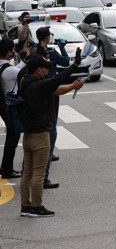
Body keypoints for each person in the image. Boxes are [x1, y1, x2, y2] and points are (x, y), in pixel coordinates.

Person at [19, 50, 83, 218]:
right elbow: (57, 79)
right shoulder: (39, 86)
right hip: (40, 135)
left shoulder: (24, 81)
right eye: (45, 68)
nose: (47, 71)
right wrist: (75, 64)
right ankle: (37, 206)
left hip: (27, 135)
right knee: (39, 173)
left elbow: (55, 84)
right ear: (38, 70)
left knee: (27, 173)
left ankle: (25, 206)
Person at [35, 26, 70, 189]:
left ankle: (45, 158)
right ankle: (46, 166)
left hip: (39, 93)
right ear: (46, 38)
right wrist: (62, 47)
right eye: (49, 35)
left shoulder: (34, 52)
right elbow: (65, 62)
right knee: (52, 126)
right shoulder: (49, 53)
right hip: (51, 91)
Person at [0, 37, 25, 179]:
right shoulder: (9, 70)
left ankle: (5, 167)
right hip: (11, 108)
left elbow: (17, 69)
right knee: (12, 140)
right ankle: (7, 169)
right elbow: (21, 73)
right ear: (9, 52)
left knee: (11, 138)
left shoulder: (4, 67)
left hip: (3, 105)